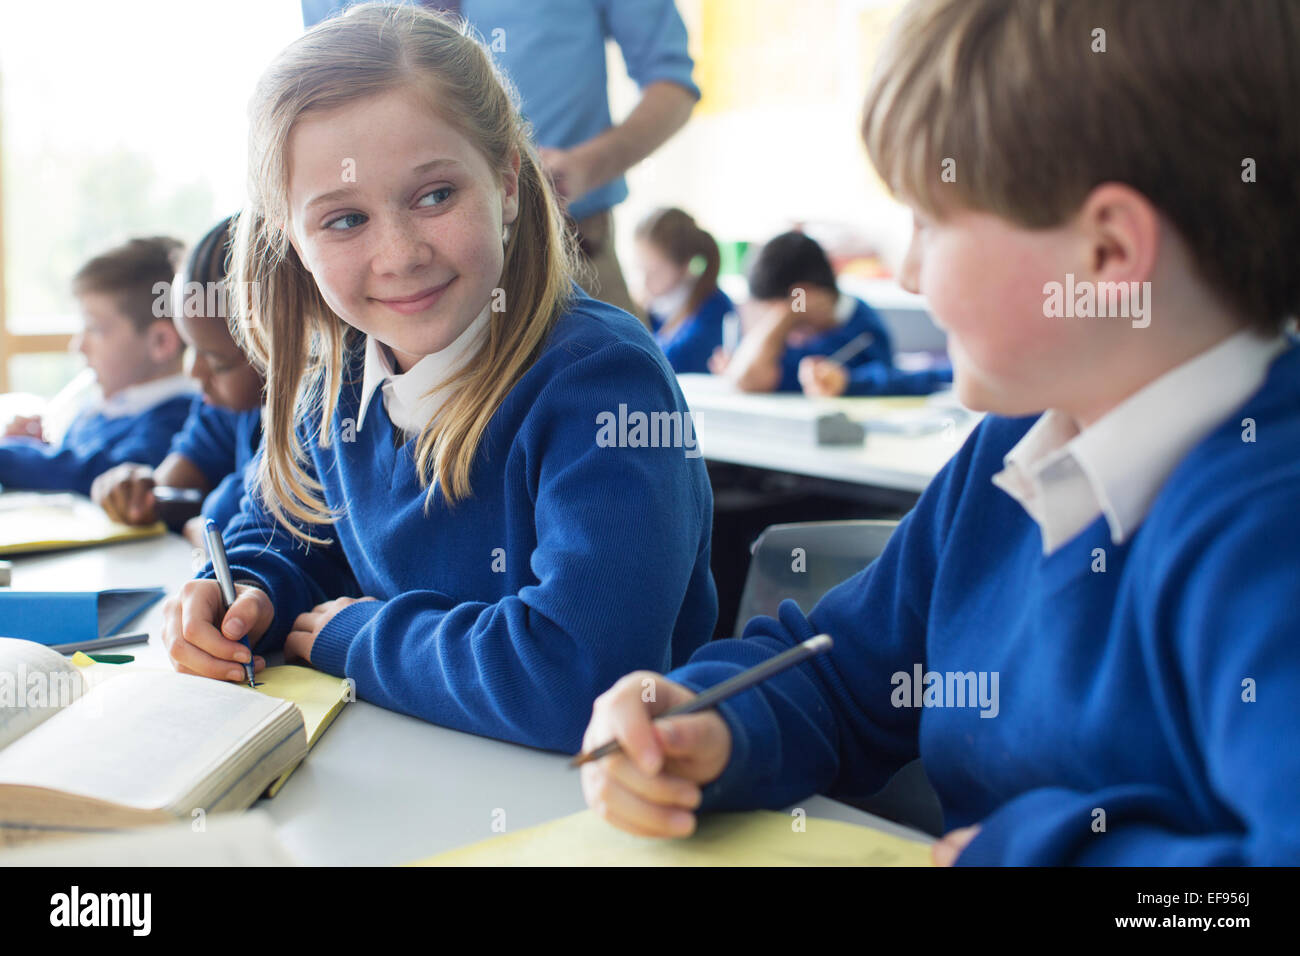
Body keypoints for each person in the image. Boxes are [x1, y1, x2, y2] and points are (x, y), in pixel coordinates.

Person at [579, 0, 1300, 865]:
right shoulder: (1010, 451)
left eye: (930, 222)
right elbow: (844, 679)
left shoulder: (1269, 528)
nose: (911, 273)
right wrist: (713, 719)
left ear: (1107, 255)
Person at [159, 3, 716, 754]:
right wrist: (241, 592)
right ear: (291, 241)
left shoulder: (602, 381)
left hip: (599, 813)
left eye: (434, 196)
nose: (400, 255)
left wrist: (356, 638)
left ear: (509, 184)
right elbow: (284, 532)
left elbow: (581, 676)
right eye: (344, 220)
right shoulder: (337, 380)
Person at [301, 0, 702, 324]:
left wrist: (587, 166)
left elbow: (672, 82)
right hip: (396, 286)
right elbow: (320, 99)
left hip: (573, 249)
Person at [92, 218, 265, 547]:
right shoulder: (227, 408)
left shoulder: (315, 427)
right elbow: (169, 486)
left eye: (217, 361)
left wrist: (205, 523)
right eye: (193, 350)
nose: (194, 372)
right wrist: (134, 489)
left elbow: (244, 520)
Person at [0, 237, 196, 495]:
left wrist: (15, 458)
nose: (78, 345)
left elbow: (91, 475)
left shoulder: (178, 420)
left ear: (161, 342)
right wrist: (38, 448)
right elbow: (66, 463)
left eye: (93, 328)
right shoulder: (101, 410)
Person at [633, 207, 733, 374]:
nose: (645, 282)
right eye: (640, 270)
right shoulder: (654, 308)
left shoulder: (714, 308)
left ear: (685, 265)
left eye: (654, 272)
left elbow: (669, 361)